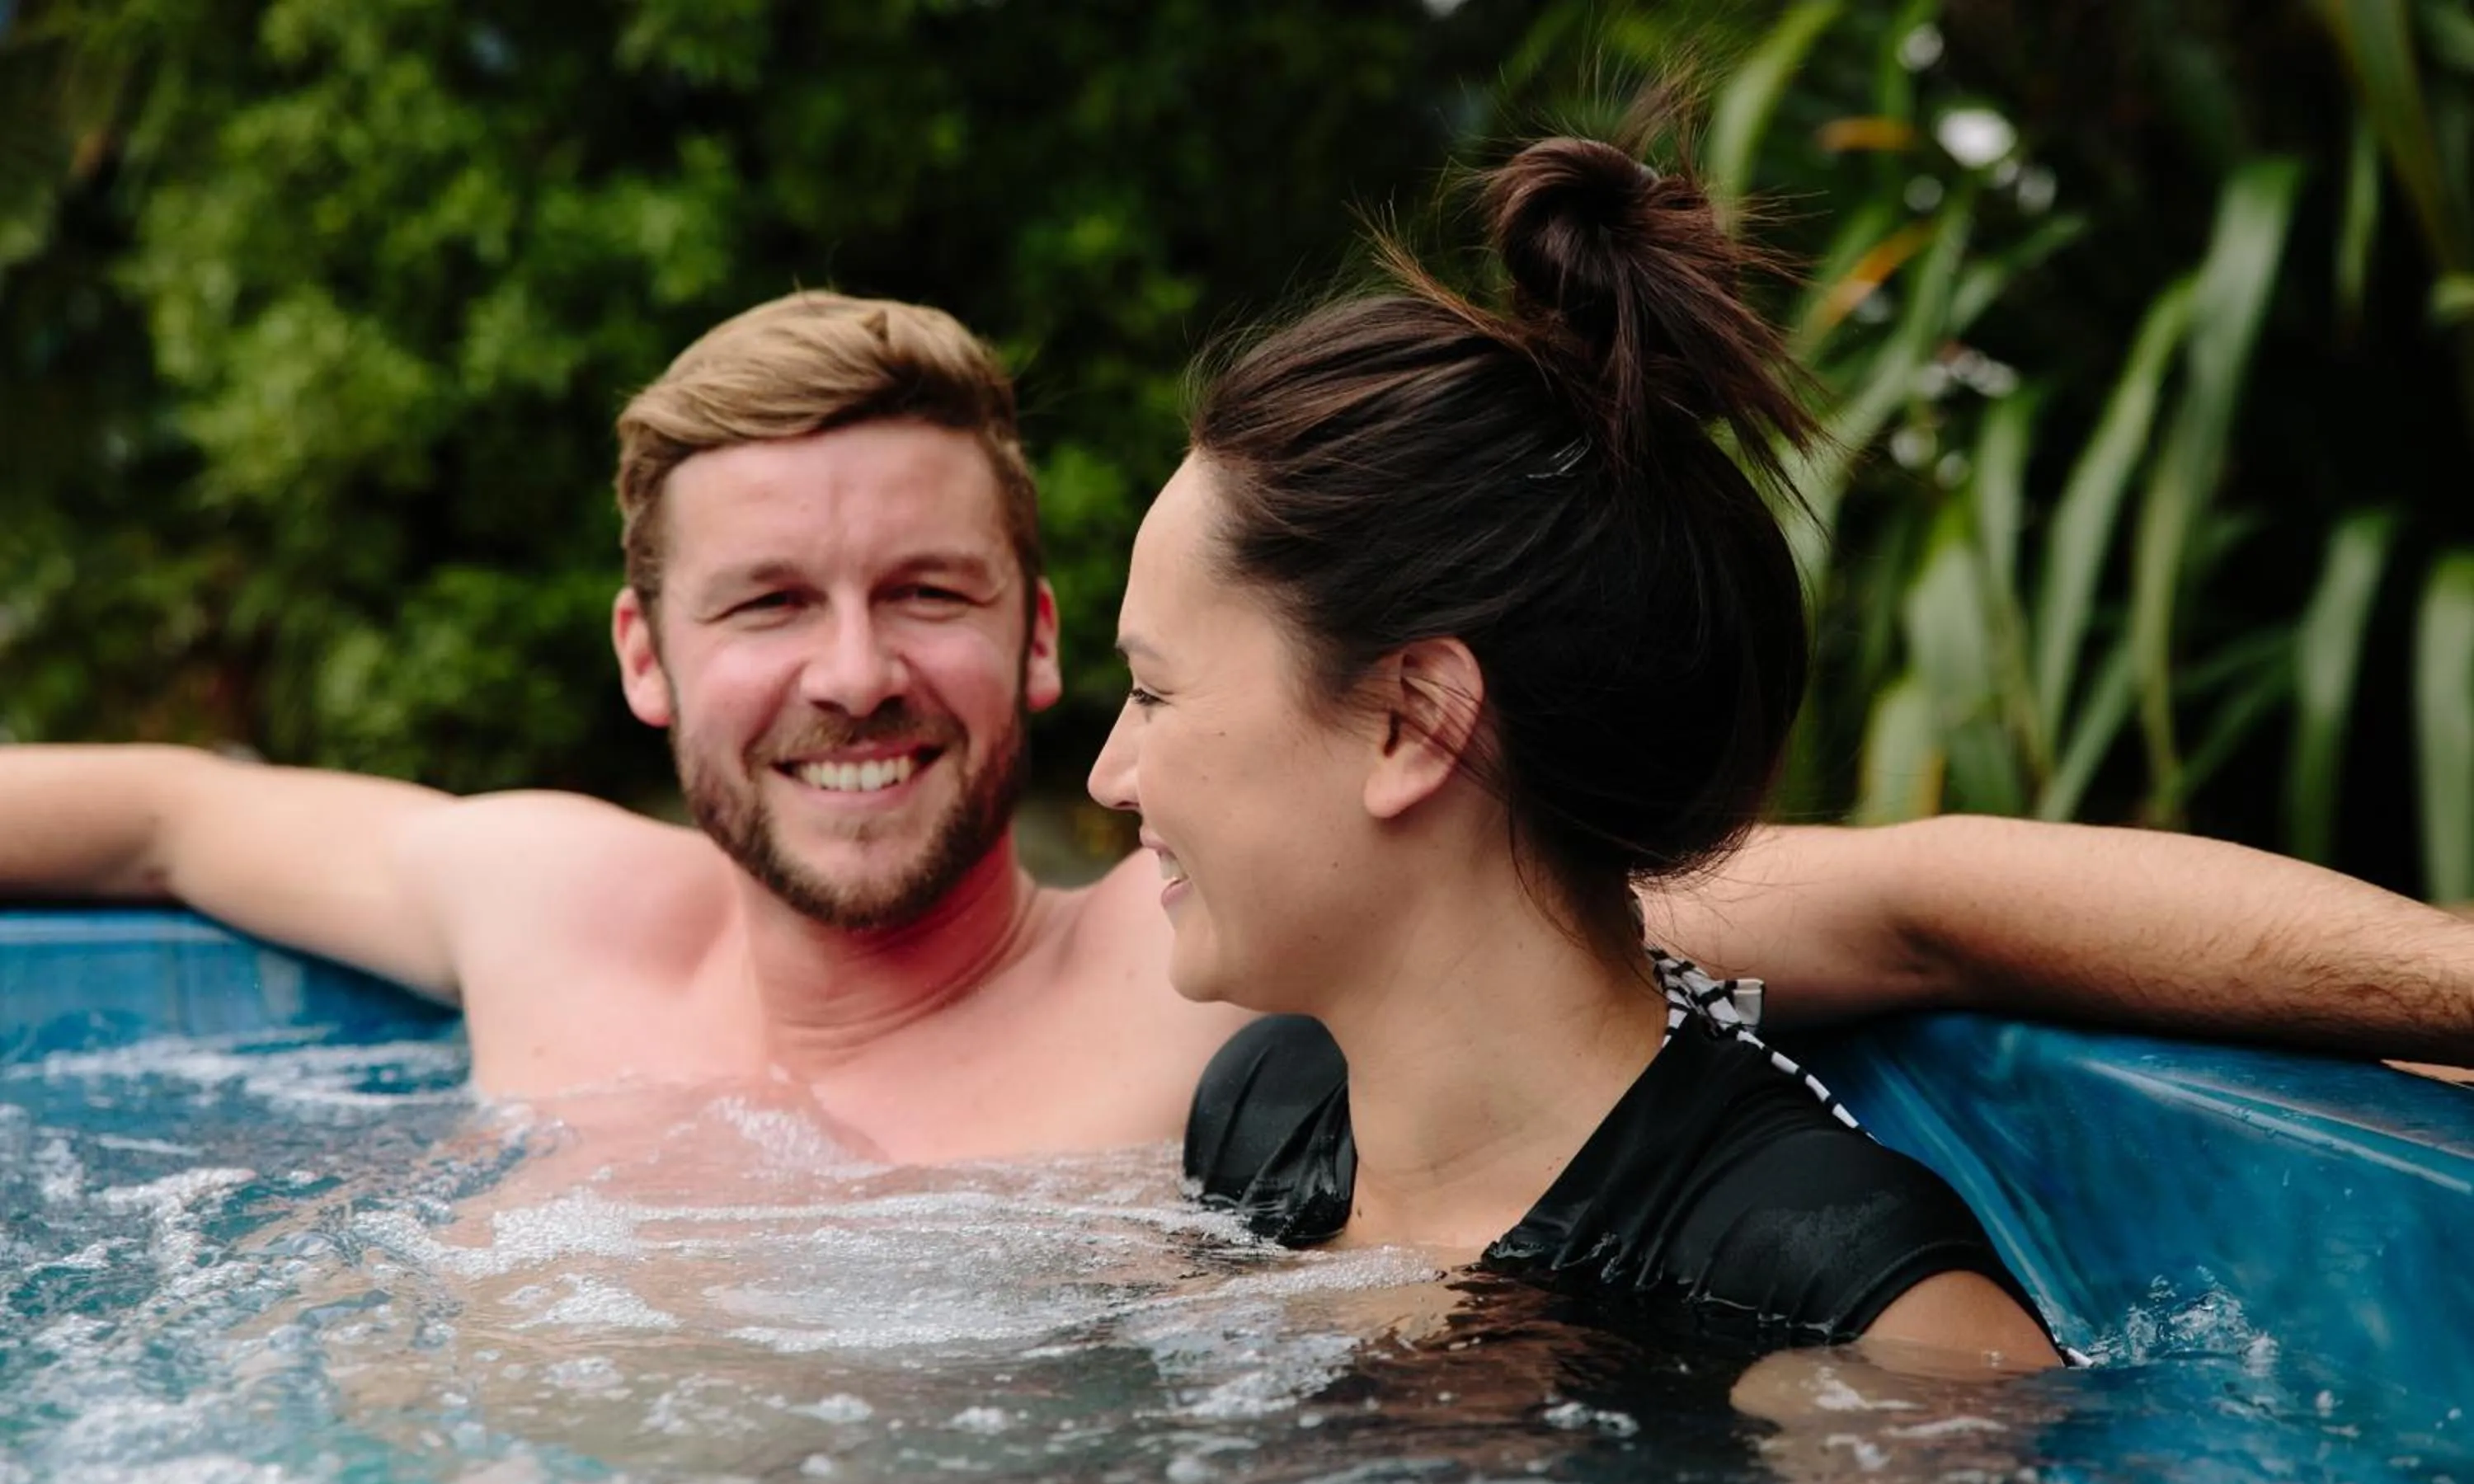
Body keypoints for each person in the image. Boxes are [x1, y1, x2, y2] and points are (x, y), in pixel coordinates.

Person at [0, 289, 2467, 1167]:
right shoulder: (534, 901)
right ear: (648, 661)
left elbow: (1922, 898)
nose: (854, 669)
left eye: (930, 592)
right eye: (768, 602)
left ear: (1051, 640)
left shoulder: (1227, 1003)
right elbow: (149, 822)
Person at [1084, 131, 2089, 1361]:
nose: (1109, 775)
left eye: (1152, 692)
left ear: (1412, 722)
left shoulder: (1841, 1308)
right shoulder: (1262, 1114)